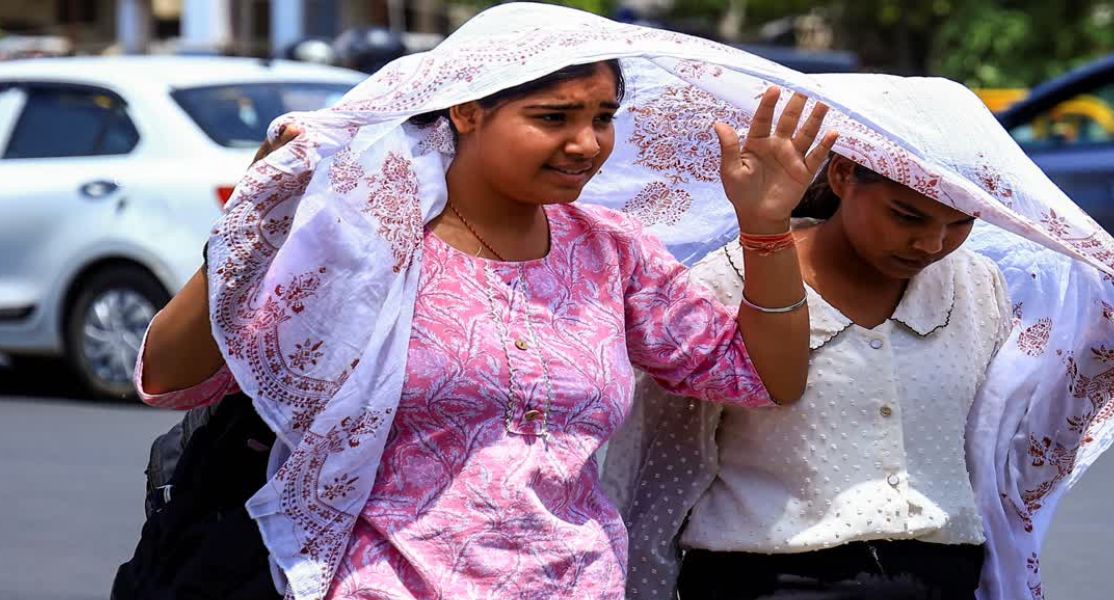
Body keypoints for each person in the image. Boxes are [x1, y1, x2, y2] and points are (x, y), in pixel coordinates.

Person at [135, 12, 836, 600]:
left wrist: (765, 225)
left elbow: (760, 376)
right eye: (553, 117)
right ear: (467, 109)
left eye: (603, 117)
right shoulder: (369, 239)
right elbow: (172, 380)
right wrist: (245, 240)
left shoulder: (610, 250)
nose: (587, 143)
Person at [604, 152, 1114, 600]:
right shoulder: (724, 283)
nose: (931, 243)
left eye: (959, 222)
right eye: (907, 216)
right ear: (846, 175)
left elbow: (1008, 446)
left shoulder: (977, 286)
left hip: (943, 575)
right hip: (765, 579)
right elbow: (660, 471)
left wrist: (1104, 359)